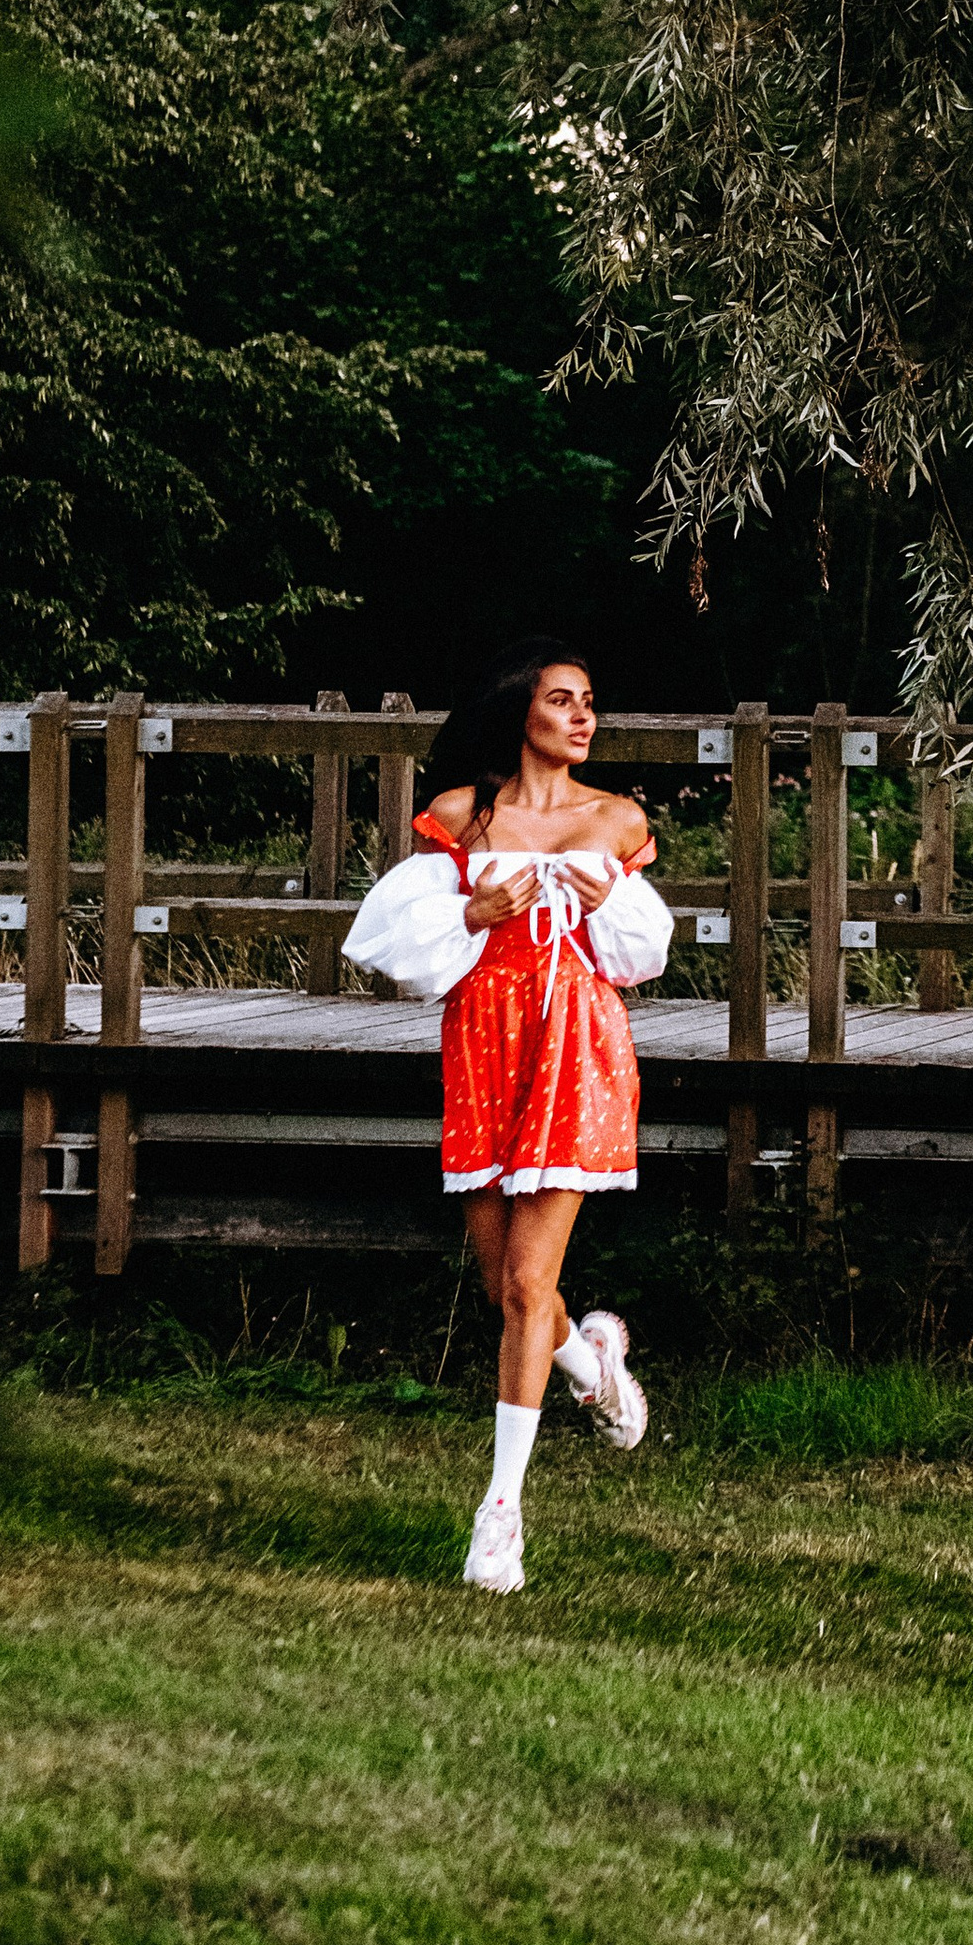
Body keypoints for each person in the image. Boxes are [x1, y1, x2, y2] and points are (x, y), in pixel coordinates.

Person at [345, 635, 671, 1595]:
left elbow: (640, 953)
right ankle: (593, 1363)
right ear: (520, 709)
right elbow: (402, 941)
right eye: (563, 699)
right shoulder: (461, 816)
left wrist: (601, 896)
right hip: (485, 1038)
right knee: (504, 1287)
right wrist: (476, 913)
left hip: (575, 1039)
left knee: (530, 1281)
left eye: (589, 700)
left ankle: (501, 1513)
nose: (583, 715)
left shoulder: (615, 819)